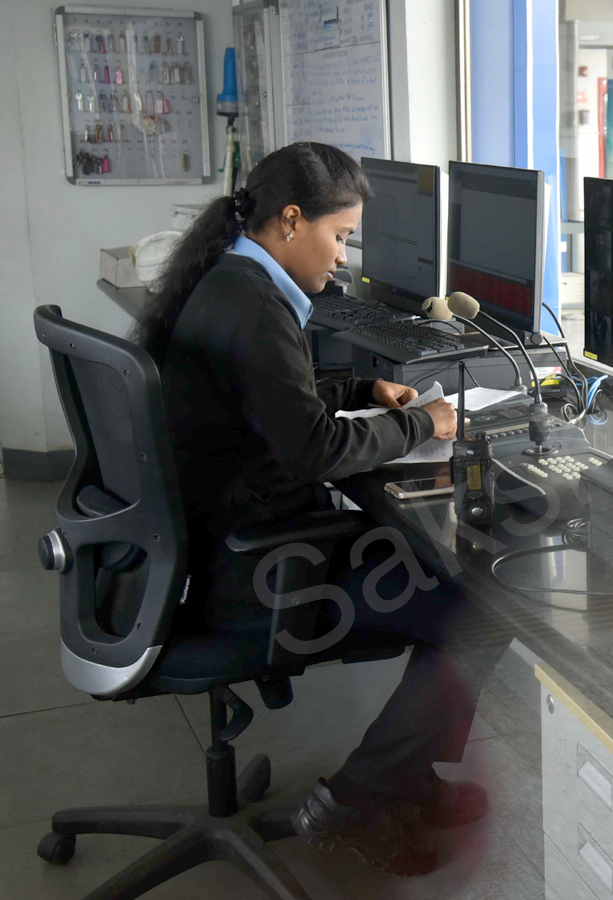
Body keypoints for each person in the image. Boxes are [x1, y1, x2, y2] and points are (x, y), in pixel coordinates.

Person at [131, 142, 492, 876]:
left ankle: (405, 776)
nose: (344, 258)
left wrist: (362, 391)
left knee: (440, 577)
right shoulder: (254, 306)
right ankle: (358, 798)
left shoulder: (229, 280)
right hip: (255, 577)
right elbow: (316, 453)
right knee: (478, 607)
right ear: (292, 221)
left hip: (208, 553)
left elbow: (268, 401)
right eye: (341, 236)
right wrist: (426, 424)